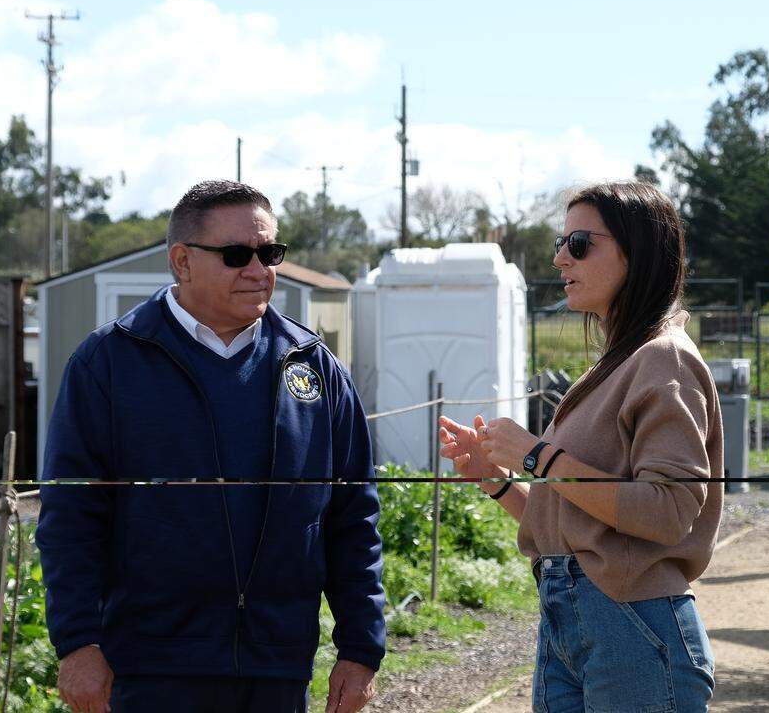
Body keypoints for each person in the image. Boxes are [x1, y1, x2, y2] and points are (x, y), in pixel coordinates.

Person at [36, 180, 385, 713]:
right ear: (182, 262)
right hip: (150, 667)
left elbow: (353, 517)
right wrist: (78, 644)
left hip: (277, 667)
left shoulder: (315, 368)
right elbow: (70, 515)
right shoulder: (108, 364)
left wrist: (361, 649)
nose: (258, 269)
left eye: (270, 253)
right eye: (236, 254)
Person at [439, 181, 721, 712]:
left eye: (579, 244)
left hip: (633, 627)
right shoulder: (617, 363)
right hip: (574, 622)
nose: (560, 258)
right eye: (560, 242)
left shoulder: (665, 359)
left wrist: (536, 456)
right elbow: (575, 525)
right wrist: (498, 481)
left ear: (638, 252)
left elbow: (668, 510)